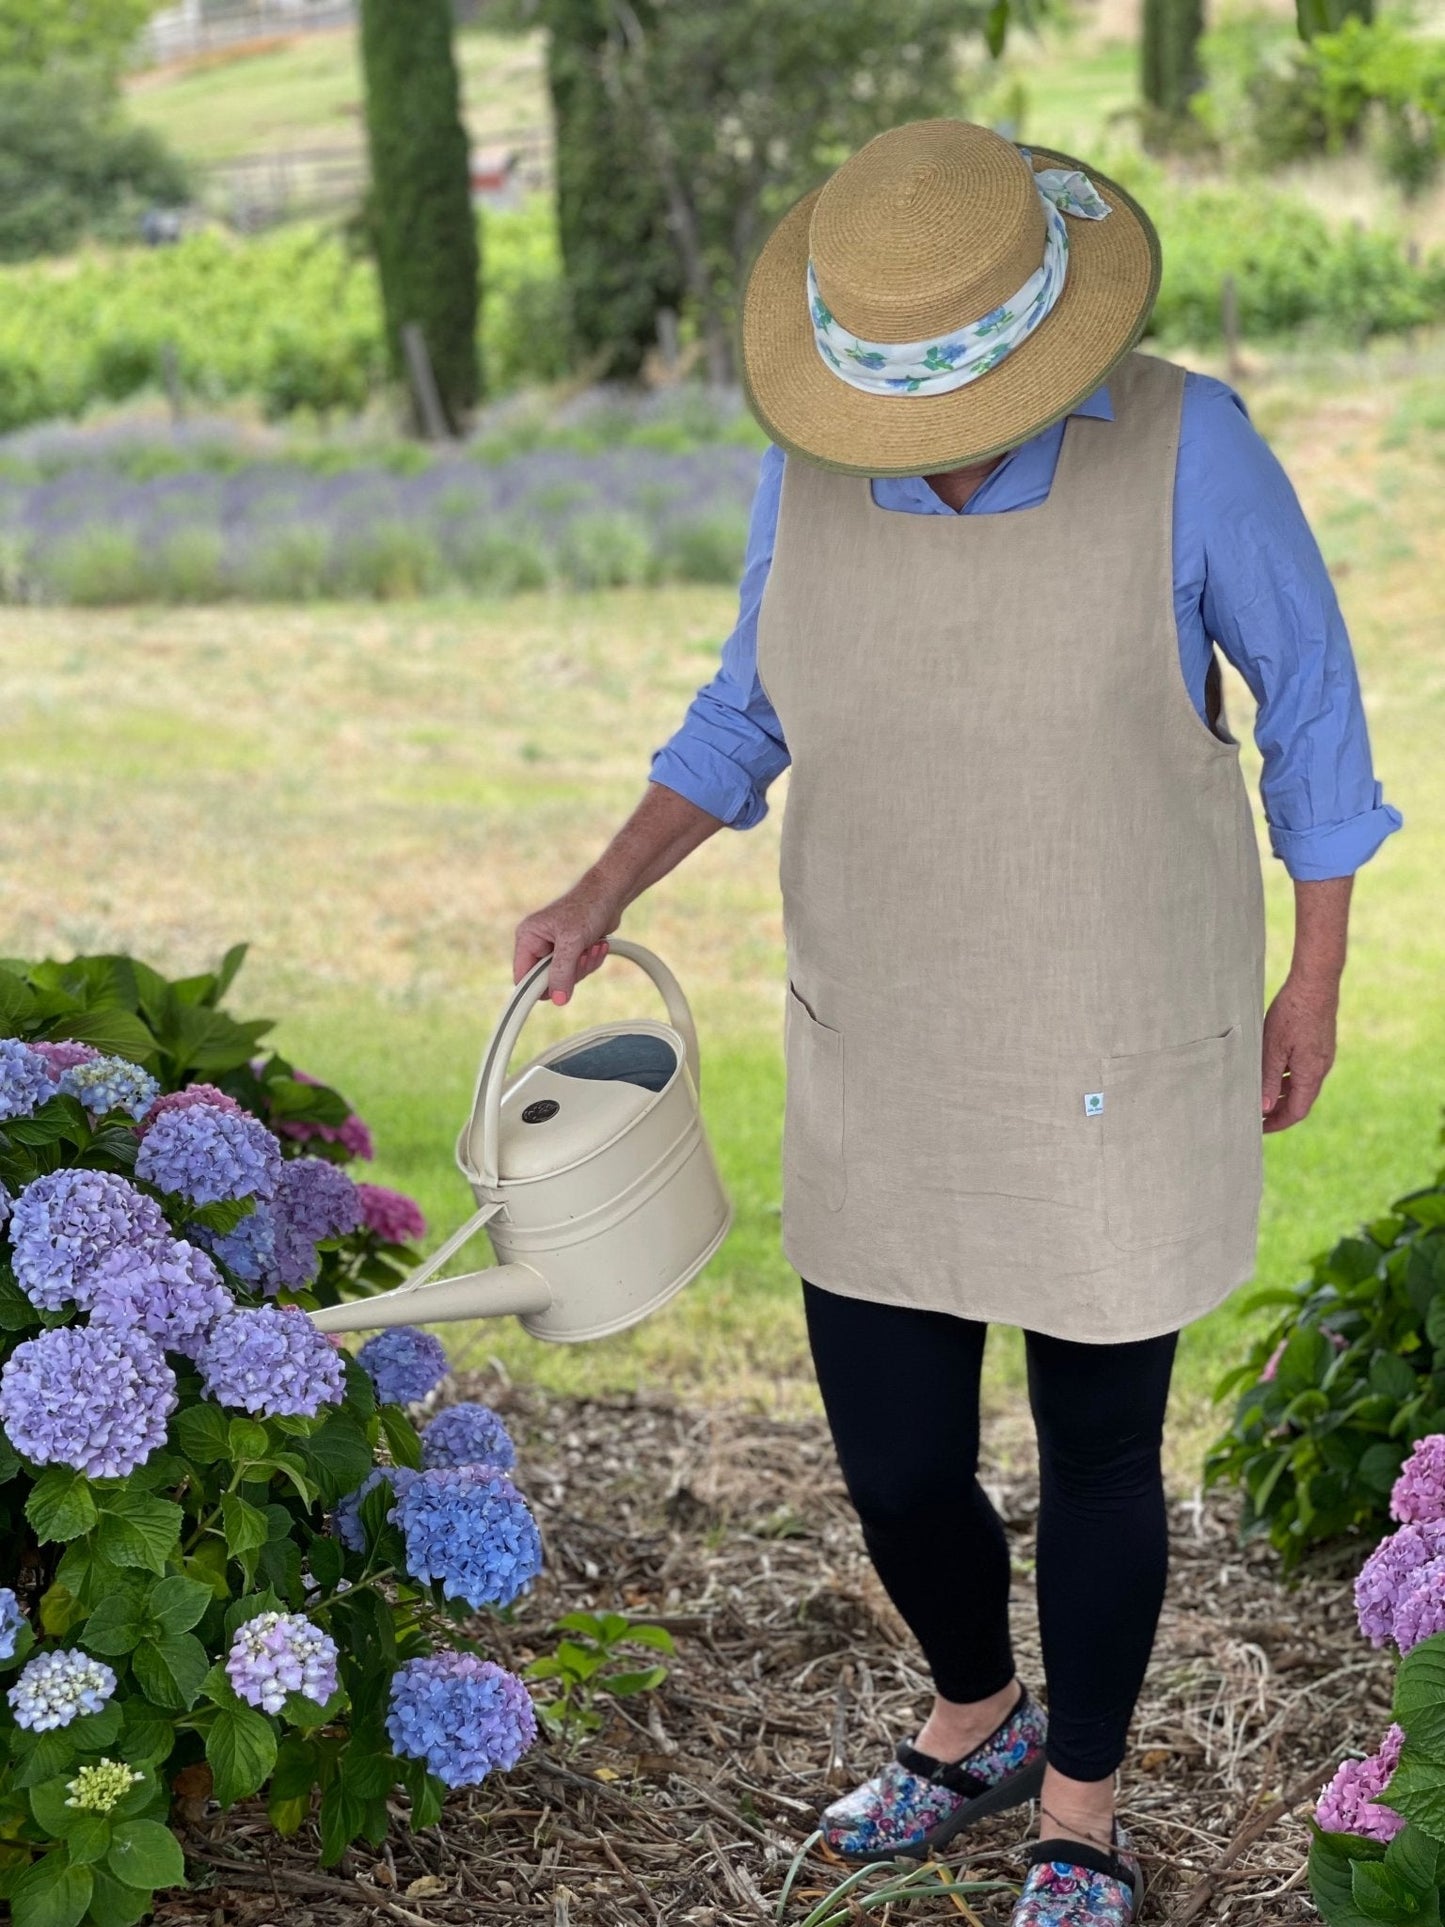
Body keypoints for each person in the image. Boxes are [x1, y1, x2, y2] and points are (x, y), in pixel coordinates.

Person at [513, 120, 1401, 1926]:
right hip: (881, 1029)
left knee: (1092, 1447)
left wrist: (1312, 975)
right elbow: (742, 710)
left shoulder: (1185, 445)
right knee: (897, 1458)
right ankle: (976, 1711)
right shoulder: (810, 462)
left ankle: (1078, 1811)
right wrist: (603, 889)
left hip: (1112, 1033)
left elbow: (1313, 713)